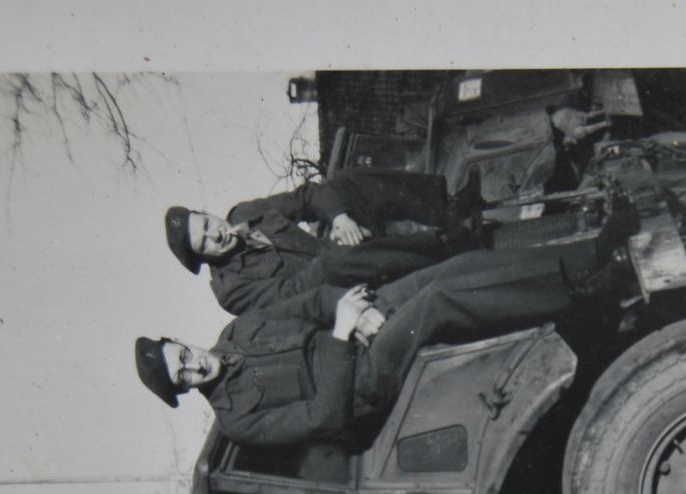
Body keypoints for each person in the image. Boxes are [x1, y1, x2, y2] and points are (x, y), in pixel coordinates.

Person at [135, 197, 640, 448]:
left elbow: (308, 302)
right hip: (363, 381)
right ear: (183, 391)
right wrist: (342, 333)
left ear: (182, 343)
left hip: (354, 324)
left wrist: (344, 309)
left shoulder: (236, 334)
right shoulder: (237, 421)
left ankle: (588, 255)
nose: (191, 366)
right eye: (182, 376)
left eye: (181, 356)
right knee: (436, 301)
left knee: (448, 271)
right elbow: (323, 417)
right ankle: (581, 295)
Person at [167, 168, 485, 315]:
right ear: (204, 259)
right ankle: (451, 247)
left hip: (345, 252)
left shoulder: (244, 213)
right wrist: (335, 246)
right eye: (204, 242)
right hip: (335, 295)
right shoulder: (231, 291)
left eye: (207, 224)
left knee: (345, 185)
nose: (216, 234)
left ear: (209, 214)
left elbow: (308, 196)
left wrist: (339, 219)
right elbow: (295, 294)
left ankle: (449, 209)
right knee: (337, 261)